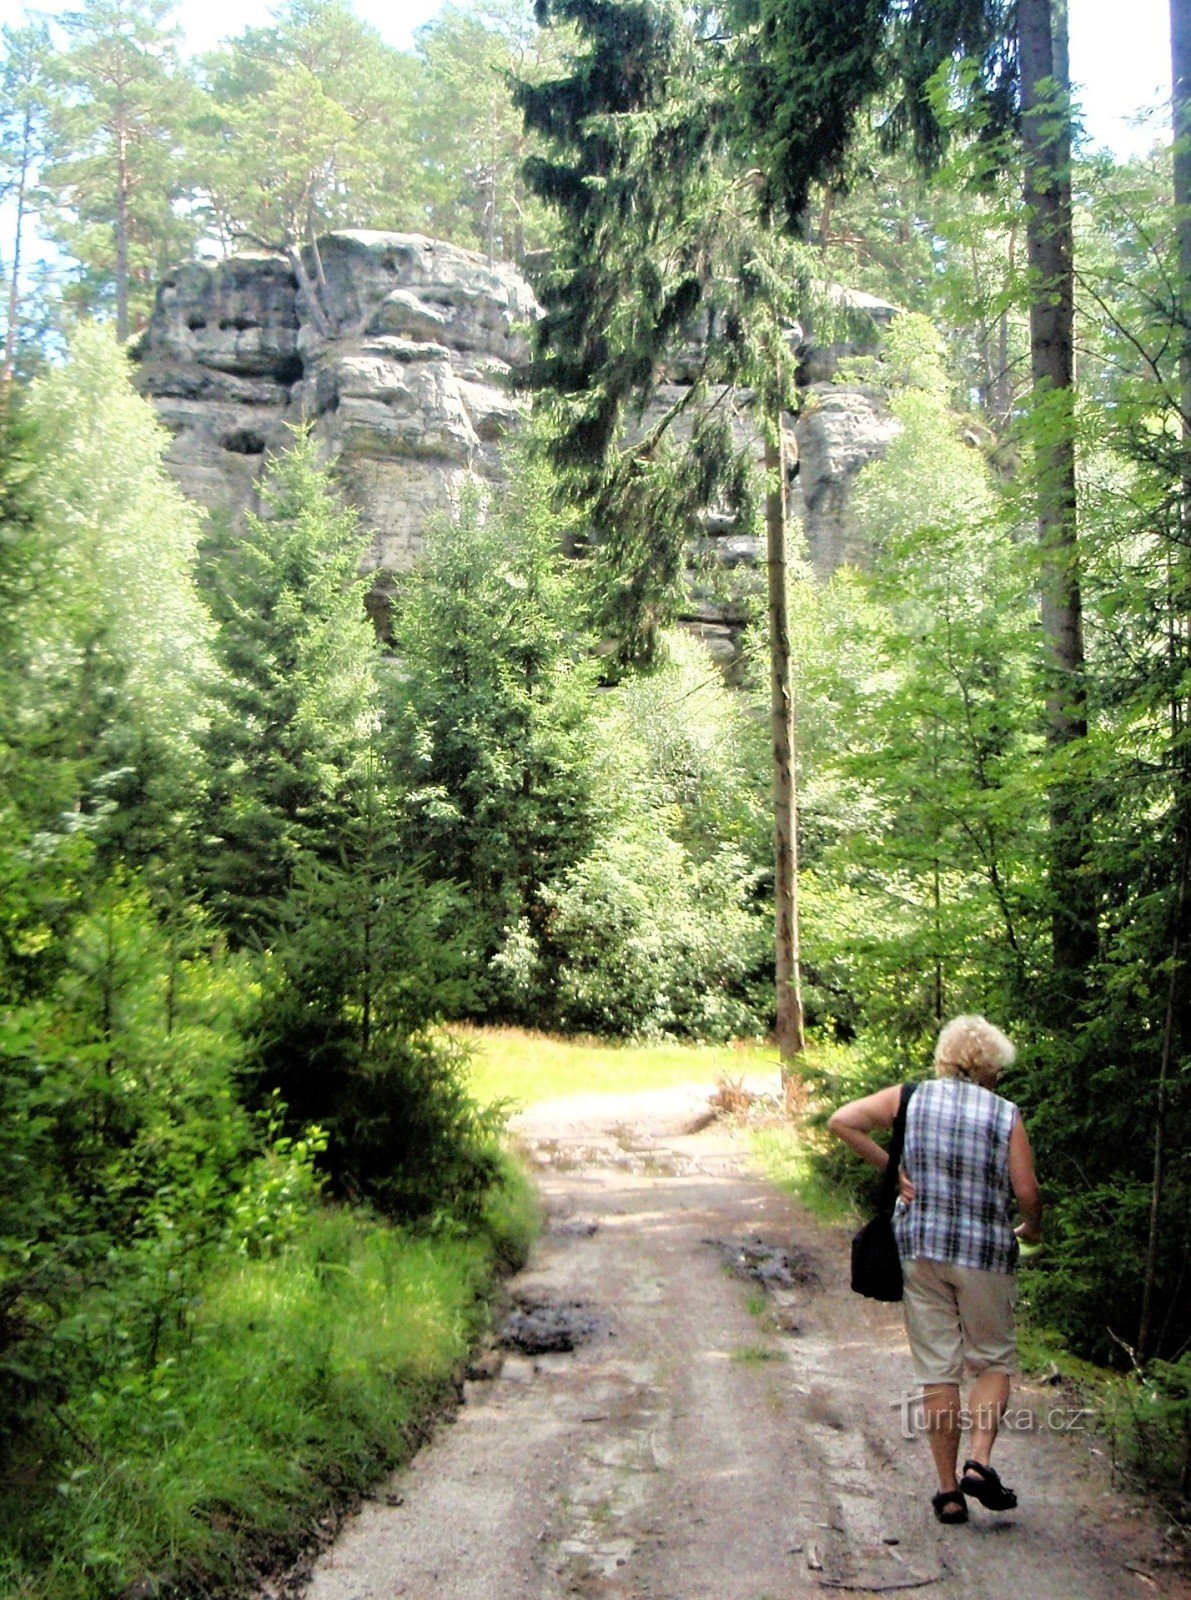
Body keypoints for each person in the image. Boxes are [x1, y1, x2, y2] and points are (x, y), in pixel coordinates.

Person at [827, 1014, 1043, 1525]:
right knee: (991, 1359)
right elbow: (1028, 1192)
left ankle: (948, 1493)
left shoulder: (911, 1097)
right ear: (990, 1067)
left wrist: (893, 1167)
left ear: (947, 1059)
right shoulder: (1004, 1114)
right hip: (985, 1253)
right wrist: (1032, 1227)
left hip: (920, 1250)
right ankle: (979, 1463)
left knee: (937, 1371)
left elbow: (843, 1120)